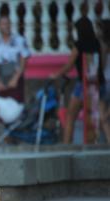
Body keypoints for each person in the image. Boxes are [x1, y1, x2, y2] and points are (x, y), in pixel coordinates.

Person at [50, 14, 105, 144]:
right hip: (98, 83)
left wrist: (56, 75)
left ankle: (67, 144)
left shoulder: (78, 45)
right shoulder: (99, 44)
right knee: (101, 118)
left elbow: (69, 66)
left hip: (83, 84)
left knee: (70, 116)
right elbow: (102, 64)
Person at [0, 14, 31, 103]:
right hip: (1, 78)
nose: (6, 26)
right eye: (3, 24)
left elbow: (23, 61)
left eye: (8, 23)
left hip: (15, 77)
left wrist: (15, 78)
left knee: (16, 106)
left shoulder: (19, 40)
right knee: (1, 108)